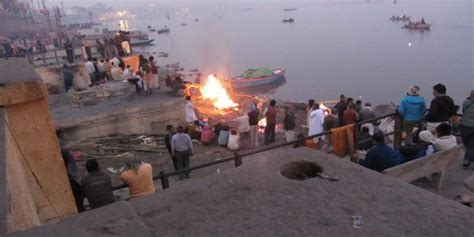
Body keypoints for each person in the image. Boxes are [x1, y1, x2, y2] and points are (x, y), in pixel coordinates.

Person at [460, 90, 474, 167]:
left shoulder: (466, 102)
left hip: (465, 125)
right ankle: (468, 158)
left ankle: (467, 159)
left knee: (468, 143)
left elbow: (463, 110)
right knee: (471, 144)